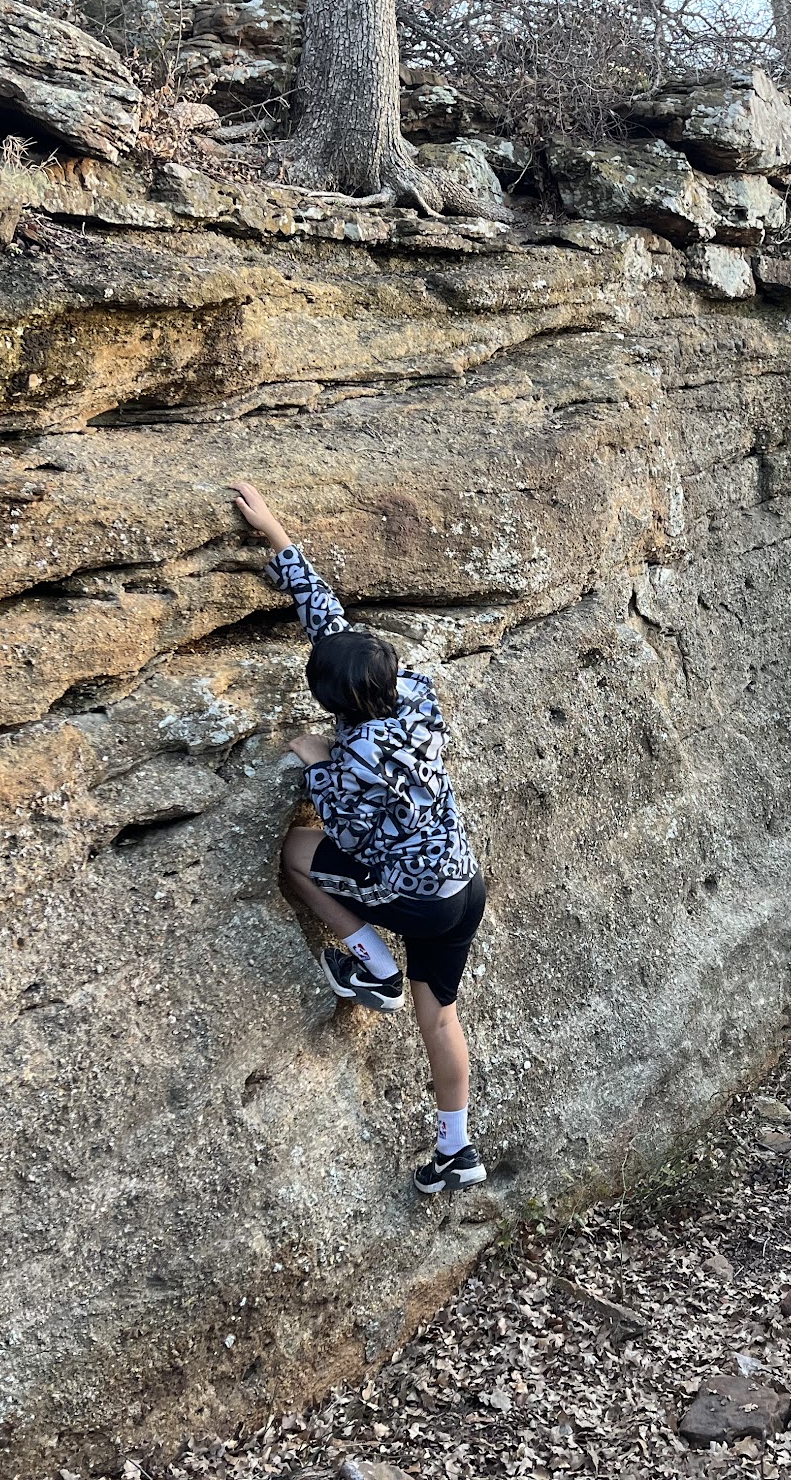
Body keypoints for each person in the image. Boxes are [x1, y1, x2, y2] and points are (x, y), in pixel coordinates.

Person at [228, 480, 489, 1195]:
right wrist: (276, 535)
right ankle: (456, 1149)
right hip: (464, 886)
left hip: (414, 896)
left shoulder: (353, 765)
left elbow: (349, 832)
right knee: (440, 1019)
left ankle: (372, 963)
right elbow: (333, 627)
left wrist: (318, 764)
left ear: (332, 704)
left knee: (297, 857)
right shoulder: (412, 691)